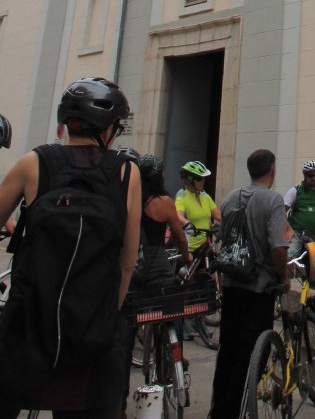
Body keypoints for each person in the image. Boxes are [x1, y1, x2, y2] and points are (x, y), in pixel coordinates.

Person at [0, 76, 141, 419]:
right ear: (108, 129)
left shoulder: (34, 162)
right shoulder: (126, 173)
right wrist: (105, 315)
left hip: (28, 332)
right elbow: (127, 262)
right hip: (92, 341)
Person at [209, 148, 290, 419]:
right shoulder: (273, 200)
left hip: (232, 284)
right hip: (259, 287)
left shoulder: (231, 197)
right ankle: (237, 409)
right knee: (250, 354)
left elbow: (223, 237)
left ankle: (220, 410)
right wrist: (284, 277)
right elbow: (278, 246)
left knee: (227, 350)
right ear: (272, 170)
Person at [121, 153, 192, 418]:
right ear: (159, 176)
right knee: (175, 310)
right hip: (159, 272)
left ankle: (119, 401)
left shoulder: (129, 200)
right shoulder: (164, 202)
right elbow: (180, 237)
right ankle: (176, 353)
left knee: (125, 335)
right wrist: (187, 257)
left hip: (134, 272)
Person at [175, 159, 221, 252]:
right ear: (189, 179)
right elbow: (178, 216)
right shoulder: (182, 195)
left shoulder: (204, 195)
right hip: (189, 248)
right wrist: (187, 224)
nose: (203, 181)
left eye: (204, 178)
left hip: (205, 246)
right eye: (199, 179)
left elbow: (218, 215)